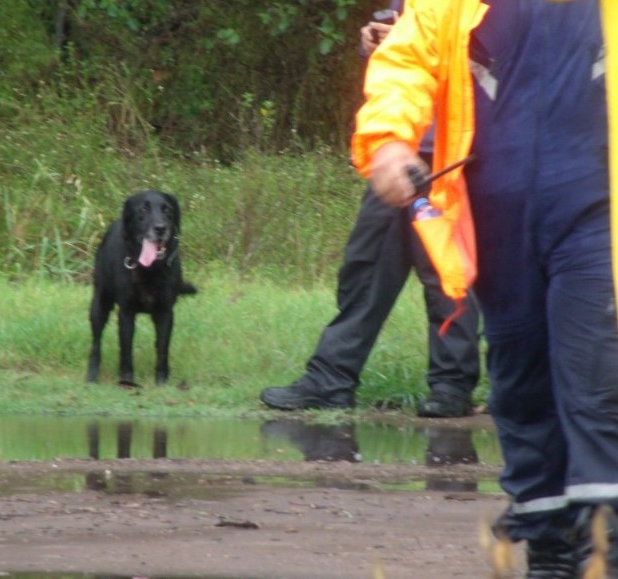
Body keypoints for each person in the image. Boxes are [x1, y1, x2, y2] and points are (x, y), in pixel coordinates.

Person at [351, 0, 618, 576]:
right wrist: (392, 141)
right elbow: (406, 62)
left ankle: (606, 547)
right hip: (497, 219)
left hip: (599, 215)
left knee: (596, 376)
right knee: (521, 386)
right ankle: (549, 548)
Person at [260, 3, 481, 419]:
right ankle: (331, 379)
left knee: (447, 274)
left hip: (451, 155)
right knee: (365, 268)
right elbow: (398, 64)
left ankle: (452, 386)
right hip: (393, 155)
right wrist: (373, 44)